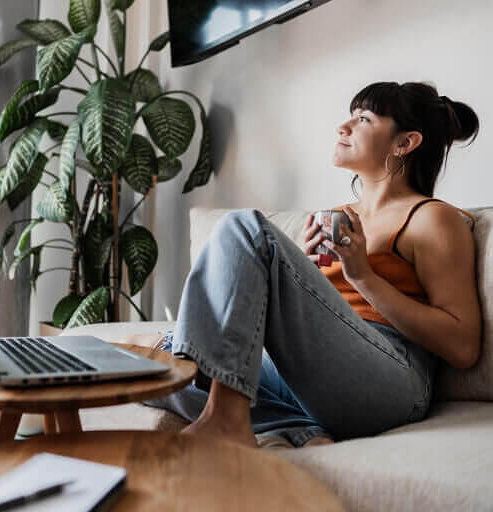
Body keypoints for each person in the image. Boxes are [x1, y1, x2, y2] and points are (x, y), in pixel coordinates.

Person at [133, 81, 482, 449]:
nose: (343, 128)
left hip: (394, 380)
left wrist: (362, 276)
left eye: (363, 119)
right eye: (349, 117)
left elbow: (462, 347)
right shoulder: (339, 217)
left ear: (404, 143)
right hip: (319, 383)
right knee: (148, 361)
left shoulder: (432, 219)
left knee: (242, 228)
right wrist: (294, 272)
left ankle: (226, 417)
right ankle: (301, 428)